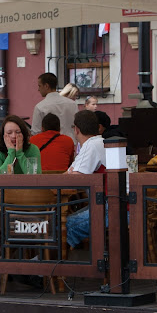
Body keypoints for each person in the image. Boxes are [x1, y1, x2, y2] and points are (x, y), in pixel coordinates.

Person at [0, 115, 42, 247]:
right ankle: (5, 254)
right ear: (3, 136)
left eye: (17, 132)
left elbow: (35, 176)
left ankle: (29, 253)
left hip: (28, 199)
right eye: (9, 133)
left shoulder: (33, 149)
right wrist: (11, 153)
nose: (13, 136)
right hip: (1, 199)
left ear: (24, 133)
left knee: (34, 217)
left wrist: (20, 153)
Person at [65, 110, 107, 251]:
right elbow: (70, 174)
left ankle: (44, 269)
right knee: (63, 220)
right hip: (120, 206)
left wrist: (72, 174)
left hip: (113, 208)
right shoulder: (99, 142)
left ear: (76, 129)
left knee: (64, 225)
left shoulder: (92, 145)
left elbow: (74, 179)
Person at [31, 73, 79, 142]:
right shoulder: (73, 104)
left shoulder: (40, 107)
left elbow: (36, 132)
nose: (38, 89)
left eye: (39, 86)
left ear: (46, 86)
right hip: (71, 145)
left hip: (50, 146)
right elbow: (77, 126)